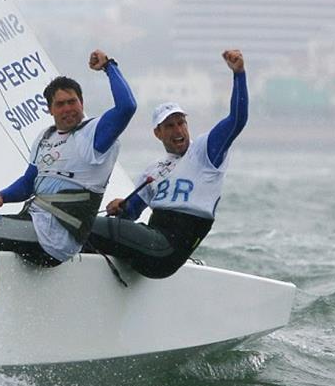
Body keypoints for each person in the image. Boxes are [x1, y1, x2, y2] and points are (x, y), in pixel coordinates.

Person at [0, 49, 136, 267]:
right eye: (60, 104)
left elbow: (127, 107)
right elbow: (29, 183)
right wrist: (1, 196)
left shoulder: (94, 135)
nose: (68, 109)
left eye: (72, 102)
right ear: (50, 109)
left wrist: (109, 66)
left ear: (82, 103)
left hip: (55, 240)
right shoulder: (46, 137)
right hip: (33, 224)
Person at [86, 49, 248, 279]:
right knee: (89, 234)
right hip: (150, 244)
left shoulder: (206, 151)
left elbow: (237, 120)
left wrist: (239, 74)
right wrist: (122, 207)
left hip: (166, 253)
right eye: (169, 126)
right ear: (157, 133)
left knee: (83, 226)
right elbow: (131, 213)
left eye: (181, 122)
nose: (178, 130)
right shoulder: (153, 170)